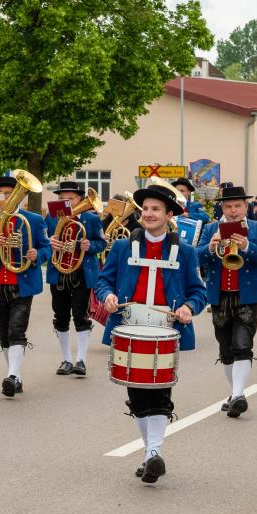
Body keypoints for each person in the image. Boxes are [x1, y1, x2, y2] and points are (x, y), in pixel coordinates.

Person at [95, 182, 206, 483]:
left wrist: (189, 307)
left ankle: (154, 453)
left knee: (159, 394)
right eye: (145, 209)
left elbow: (198, 291)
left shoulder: (186, 252)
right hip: (128, 328)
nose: (148, 214)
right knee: (137, 397)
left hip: (165, 330)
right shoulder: (122, 247)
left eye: (156, 209)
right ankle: (151, 454)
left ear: (169, 215)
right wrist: (107, 296)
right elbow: (103, 281)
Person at [196, 184, 257, 416]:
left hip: (247, 295)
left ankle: (239, 395)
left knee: (242, 345)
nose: (233, 211)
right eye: (228, 206)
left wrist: (247, 246)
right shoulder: (211, 229)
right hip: (219, 295)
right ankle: (234, 392)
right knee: (226, 349)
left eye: (238, 206)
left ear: (246, 206)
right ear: (222, 207)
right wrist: (210, 248)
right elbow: (195, 258)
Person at [0, 174, 52, 397]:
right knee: (4, 333)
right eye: (1, 194)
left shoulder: (33, 220)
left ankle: (12, 375)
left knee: (17, 329)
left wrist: (37, 254)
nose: (5, 197)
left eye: (9, 193)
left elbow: (47, 248)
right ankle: (14, 375)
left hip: (22, 282)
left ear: (19, 196)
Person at [45, 180, 106, 376]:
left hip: (81, 272)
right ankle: (66, 359)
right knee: (60, 315)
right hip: (59, 272)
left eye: (70, 199)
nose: (66, 202)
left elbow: (101, 243)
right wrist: (50, 242)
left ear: (80, 199)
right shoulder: (52, 217)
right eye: (62, 199)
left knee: (81, 314)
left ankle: (81, 359)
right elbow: (44, 242)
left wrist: (90, 246)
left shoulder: (91, 218)